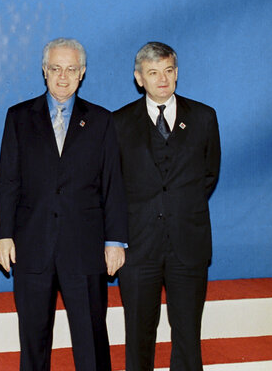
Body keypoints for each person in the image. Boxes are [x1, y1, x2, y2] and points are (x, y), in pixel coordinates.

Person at [0, 37, 127, 371]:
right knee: (33, 340)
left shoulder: (101, 120)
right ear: (44, 71)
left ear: (82, 73)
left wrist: (115, 241)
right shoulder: (19, 117)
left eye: (71, 69)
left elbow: (113, 184)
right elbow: (8, 181)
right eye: (55, 68)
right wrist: (4, 235)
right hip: (31, 246)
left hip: (85, 248)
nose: (63, 77)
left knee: (91, 340)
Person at [113, 42, 221, 371]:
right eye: (153, 72)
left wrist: (178, 207)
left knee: (188, 335)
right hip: (137, 248)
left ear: (177, 73)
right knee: (138, 336)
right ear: (139, 78)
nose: (163, 79)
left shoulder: (203, 117)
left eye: (169, 71)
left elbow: (209, 174)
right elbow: (112, 185)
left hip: (188, 246)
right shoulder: (117, 123)